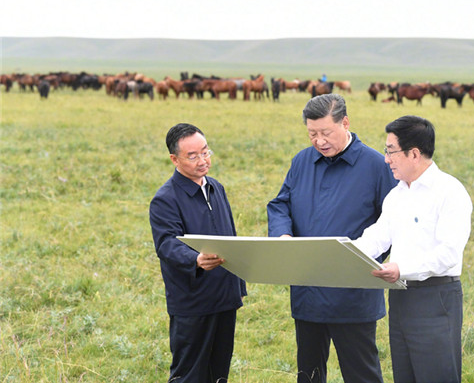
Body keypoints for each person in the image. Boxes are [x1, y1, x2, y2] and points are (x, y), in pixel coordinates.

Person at [267, 93, 397, 383]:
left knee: (361, 375)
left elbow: (392, 223)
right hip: (308, 289)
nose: (319, 141)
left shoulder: (376, 165)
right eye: (312, 133)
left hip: (354, 293)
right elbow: (280, 205)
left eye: (326, 132)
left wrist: (368, 263)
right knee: (309, 374)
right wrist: (282, 235)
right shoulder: (301, 161)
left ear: (345, 123)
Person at [353, 115, 473, 383]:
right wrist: (347, 253)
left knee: (436, 376)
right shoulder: (396, 195)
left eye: (391, 151)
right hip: (400, 298)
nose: (386, 159)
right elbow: (377, 237)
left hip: (436, 298)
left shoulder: (449, 192)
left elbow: (449, 253)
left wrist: (401, 269)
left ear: (414, 154)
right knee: (404, 375)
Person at [150, 123, 247, 383]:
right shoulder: (165, 199)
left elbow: (230, 236)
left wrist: (238, 285)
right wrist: (195, 259)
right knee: (189, 374)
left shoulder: (216, 187)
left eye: (205, 152)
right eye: (192, 156)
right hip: (192, 301)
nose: (202, 160)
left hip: (225, 296)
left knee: (219, 372)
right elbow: (166, 244)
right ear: (175, 159)